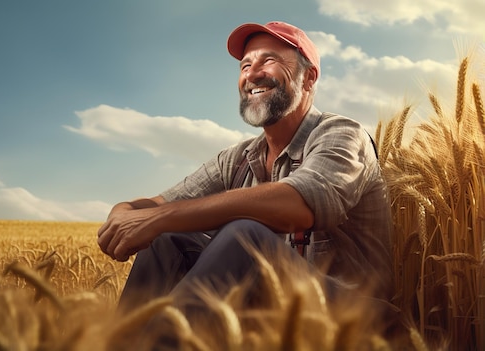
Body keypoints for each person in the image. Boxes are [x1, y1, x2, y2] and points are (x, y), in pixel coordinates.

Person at [97, 21, 393, 324]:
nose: (251, 74)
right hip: (274, 311)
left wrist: (160, 218)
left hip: (355, 317)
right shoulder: (239, 157)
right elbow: (156, 205)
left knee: (244, 237)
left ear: (309, 77)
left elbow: (300, 205)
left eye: (270, 60)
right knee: (166, 240)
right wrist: (124, 212)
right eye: (245, 65)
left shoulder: (341, 133)